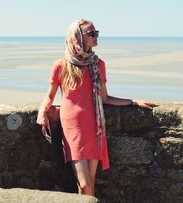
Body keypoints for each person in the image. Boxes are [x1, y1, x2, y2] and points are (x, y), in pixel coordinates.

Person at [37, 18, 159, 196]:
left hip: (94, 127)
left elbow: (105, 98)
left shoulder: (97, 64)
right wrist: (42, 113)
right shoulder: (61, 65)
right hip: (73, 128)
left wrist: (133, 101)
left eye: (97, 33)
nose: (96, 37)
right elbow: (49, 96)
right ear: (77, 37)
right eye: (91, 34)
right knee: (84, 183)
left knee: (90, 184)